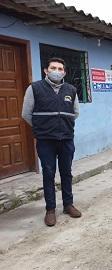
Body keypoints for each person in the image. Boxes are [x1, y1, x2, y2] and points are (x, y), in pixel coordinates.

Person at [21, 57, 81, 227]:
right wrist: (43, 127)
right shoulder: (35, 88)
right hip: (45, 140)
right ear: (46, 71)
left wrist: (62, 125)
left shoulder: (71, 89)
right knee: (48, 174)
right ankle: (50, 210)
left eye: (60, 68)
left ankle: (68, 205)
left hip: (66, 139)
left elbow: (75, 113)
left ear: (64, 72)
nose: (57, 71)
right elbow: (26, 114)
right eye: (53, 68)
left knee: (66, 172)